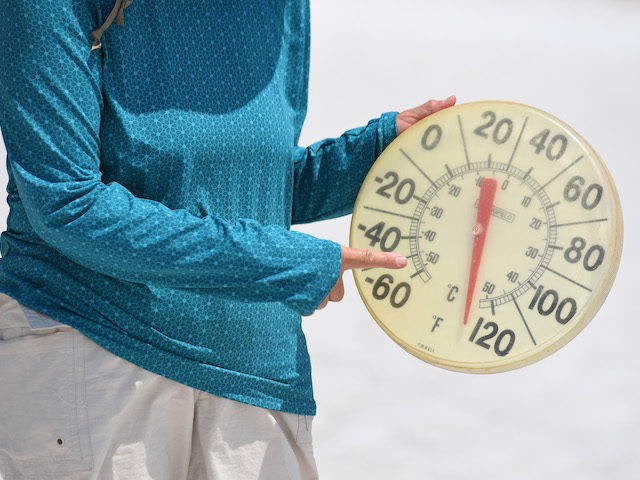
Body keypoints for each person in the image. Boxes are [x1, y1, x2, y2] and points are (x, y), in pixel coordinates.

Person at [0, 1, 455, 479]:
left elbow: (252, 191)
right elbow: (68, 204)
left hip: (259, 372)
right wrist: (280, 264)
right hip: (96, 350)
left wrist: (379, 153)